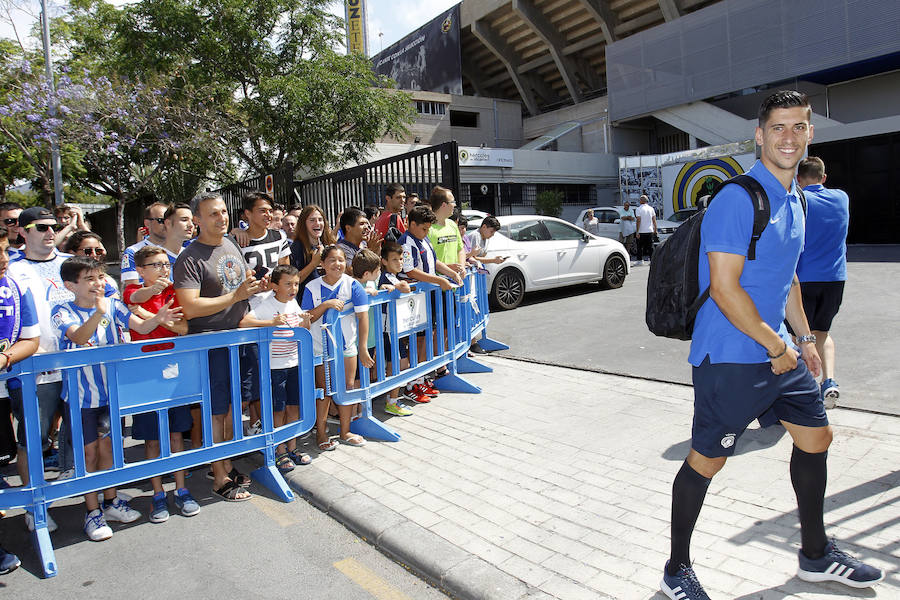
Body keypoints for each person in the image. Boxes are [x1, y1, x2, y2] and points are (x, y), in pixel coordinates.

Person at [661, 90, 883, 600]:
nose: (789, 137)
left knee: (816, 439)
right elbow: (724, 288)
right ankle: (676, 569)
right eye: (779, 128)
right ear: (759, 136)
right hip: (732, 356)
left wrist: (802, 338)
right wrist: (776, 347)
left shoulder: (797, 198)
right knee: (706, 461)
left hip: (781, 350)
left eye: (799, 127)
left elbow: (788, 281)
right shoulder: (738, 198)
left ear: (810, 134)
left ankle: (815, 555)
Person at [53, 256, 181, 540]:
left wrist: (159, 319)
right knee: (88, 454)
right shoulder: (61, 311)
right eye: (89, 279)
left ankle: (111, 501)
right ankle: (92, 511)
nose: (97, 284)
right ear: (70, 285)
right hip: (81, 397)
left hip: (112, 393)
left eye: (99, 277)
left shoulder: (113, 304)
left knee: (110, 450)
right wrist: (98, 313)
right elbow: (77, 337)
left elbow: (140, 326)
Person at [9, 207, 118, 482]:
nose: (50, 232)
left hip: (82, 369)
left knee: (86, 440)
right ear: (22, 231)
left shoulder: (73, 261)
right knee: (34, 438)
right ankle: (37, 506)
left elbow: (111, 295)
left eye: (53, 227)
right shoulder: (13, 269)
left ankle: (96, 498)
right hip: (38, 367)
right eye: (41, 227)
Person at [174, 192, 264, 502]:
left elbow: (241, 295)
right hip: (209, 345)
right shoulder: (189, 258)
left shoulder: (231, 245)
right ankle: (219, 476)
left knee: (231, 410)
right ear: (197, 220)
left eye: (223, 211)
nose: (221, 218)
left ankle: (225, 463)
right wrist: (235, 297)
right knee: (216, 412)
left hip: (237, 341)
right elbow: (189, 307)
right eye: (213, 213)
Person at [122, 245, 199, 523]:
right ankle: (157, 494)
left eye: (166, 264)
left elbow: (183, 327)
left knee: (177, 433)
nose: (164, 269)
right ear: (140, 270)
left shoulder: (174, 293)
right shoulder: (133, 292)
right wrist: (154, 313)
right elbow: (134, 298)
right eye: (156, 265)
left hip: (173, 371)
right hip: (144, 374)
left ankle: (181, 489)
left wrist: (153, 319)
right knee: (152, 439)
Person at [240, 264, 311, 472]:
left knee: (294, 408)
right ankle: (279, 451)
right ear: (274, 286)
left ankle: (292, 448)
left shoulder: (293, 304)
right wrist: (270, 322)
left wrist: (305, 324)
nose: (293, 288)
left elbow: (298, 329)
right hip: (274, 367)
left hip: (294, 363)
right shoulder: (266, 305)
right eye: (288, 284)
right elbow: (244, 322)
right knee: (277, 410)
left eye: (296, 284)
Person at [300, 246, 372, 451]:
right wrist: (326, 305)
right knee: (325, 390)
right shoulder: (311, 287)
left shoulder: (353, 285)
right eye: (332, 260)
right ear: (322, 264)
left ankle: (345, 430)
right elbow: (308, 318)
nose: (337, 264)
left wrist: (363, 347)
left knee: (348, 386)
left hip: (347, 345)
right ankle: (321, 433)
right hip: (319, 347)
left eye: (341, 260)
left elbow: (363, 317)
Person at [794, 157, 849, 409]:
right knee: (822, 333)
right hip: (835, 279)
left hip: (804, 279)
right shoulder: (842, 198)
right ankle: (829, 382)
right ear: (823, 178)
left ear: (798, 179)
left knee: (800, 336)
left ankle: (802, 389)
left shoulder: (800, 201)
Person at [237, 191, 291, 435]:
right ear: (247, 214)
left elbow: (288, 269)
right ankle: (256, 423)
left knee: (276, 370)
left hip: (277, 309)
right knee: (256, 371)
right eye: (262, 210)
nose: (268, 215)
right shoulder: (236, 240)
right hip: (252, 315)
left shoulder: (279, 236)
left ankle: (274, 424)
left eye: (270, 210)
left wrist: (276, 281)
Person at [0, 224, 43, 534]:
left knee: (20, 445)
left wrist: (4, 358)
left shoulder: (15, 289)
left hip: (9, 387)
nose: (4, 259)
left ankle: (34, 507)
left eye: (5, 250)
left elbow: (31, 340)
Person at [376, 242, 421, 414]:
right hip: (387, 327)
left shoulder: (393, 276)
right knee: (397, 362)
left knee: (396, 361)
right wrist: (399, 286)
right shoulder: (385, 276)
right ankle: (391, 401)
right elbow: (405, 287)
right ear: (384, 261)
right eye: (394, 259)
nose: (399, 263)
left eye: (401, 259)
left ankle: (392, 399)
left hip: (395, 327)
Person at [290, 204, 335, 299]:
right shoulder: (297, 247)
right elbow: (293, 280)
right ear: (303, 224)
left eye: (320, 219)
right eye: (312, 220)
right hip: (308, 302)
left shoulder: (327, 244)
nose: (317, 223)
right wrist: (313, 264)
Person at [121, 202, 170, 285]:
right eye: (161, 220)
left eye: (169, 221)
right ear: (147, 223)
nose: (166, 225)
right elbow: (132, 291)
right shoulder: (132, 252)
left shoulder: (181, 250)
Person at [64, 231, 119, 297]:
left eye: (98, 251)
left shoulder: (99, 278)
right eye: (88, 251)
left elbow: (114, 299)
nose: (94, 255)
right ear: (72, 253)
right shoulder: (58, 275)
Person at [426, 186, 466, 276]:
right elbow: (428, 258)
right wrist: (448, 269)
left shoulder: (452, 225)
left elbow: (460, 249)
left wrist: (462, 267)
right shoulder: (428, 228)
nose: (455, 205)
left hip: (455, 281)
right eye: (453, 202)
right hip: (437, 284)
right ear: (444, 205)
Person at [635, 194, 657, 264]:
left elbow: (638, 220)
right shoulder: (651, 209)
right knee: (650, 246)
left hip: (641, 230)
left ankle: (640, 260)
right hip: (650, 230)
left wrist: (637, 231)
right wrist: (655, 229)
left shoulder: (638, 209)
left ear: (641, 201)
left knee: (640, 246)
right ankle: (652, 260)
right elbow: (654, 220)